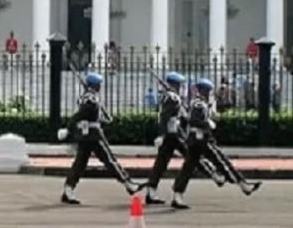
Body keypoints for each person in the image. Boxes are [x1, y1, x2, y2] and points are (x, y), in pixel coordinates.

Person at [170, 79, 261, 209]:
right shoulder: (199, 104)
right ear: (203, 91)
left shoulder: (198, 103)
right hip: (201, 140)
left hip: (196, 140)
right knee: (222, 162)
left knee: (188, 168)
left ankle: (177, 196)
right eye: (208, 91)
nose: (209, 94)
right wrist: (207, 123)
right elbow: (194, 120)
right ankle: (242, 184)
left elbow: (187, 120)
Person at [58, 72, 145, 205]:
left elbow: (91, 116)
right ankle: (128, 184)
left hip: (88, 135)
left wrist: (104, 120)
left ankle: (68, 189)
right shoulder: (90, 99)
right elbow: (81, 115)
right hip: (93, 135)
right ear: (95, 85)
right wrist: (69, 128)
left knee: (80, 163)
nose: (100, 86)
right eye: (99, 84)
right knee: (109, 160)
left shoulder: (88, 97)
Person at [144, 72, 225, 206]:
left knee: (163, 161)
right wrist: (162, 135)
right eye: (180, 84)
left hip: (174, 133)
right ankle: (211, 175)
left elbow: (183, 115)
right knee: (191, 158)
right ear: (175, 84)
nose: (182, 87)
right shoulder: (172, 97)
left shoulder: (171, 97)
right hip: (174, 134)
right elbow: (164, 117)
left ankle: (152, 191)